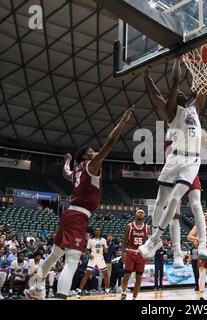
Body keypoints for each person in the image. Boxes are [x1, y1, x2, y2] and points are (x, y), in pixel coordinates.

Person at [26, 106, 134, 300]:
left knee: (54, 255)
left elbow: (65, 172)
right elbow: (110, 142)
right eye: (92, 151)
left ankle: (37, 286)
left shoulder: (77, 171)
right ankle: (59, 296)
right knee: (72, 260)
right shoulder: (92, 165)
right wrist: (123, 121)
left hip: (70, 214)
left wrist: (67, 160)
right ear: (86, 156)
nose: (95, 152)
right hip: (78, 216)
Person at [140, 59, 207, 262]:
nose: (179, 93)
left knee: (175, 198)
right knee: (161, 200)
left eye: (181, 94)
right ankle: (156, 239)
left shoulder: (194, 108)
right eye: (176, 94)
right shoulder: (171, 111)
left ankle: (157, 239)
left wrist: (206, 65)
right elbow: (171, 84)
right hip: (174, 159)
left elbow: (204, 88)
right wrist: (148, 77)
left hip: (191, 162)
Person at [120, 209, 150, 300]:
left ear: (144, 216)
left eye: (142, 212)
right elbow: (124, 239)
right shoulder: (129, 226)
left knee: (139, 278)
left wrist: (148, 254)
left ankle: (134, 298)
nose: (140, 213)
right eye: (138, 212)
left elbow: (149, 242)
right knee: (127, 275)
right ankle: (123, 292)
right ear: (136, 214)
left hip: (141, 254)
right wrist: (123, 253)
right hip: (130, 252)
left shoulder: (147, 227)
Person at [76, 227, 110, 297]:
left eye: (99, 230)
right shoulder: (90, 240)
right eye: (96, 230)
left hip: (100, 258)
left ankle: (107, 290)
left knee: (105, 274)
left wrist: (104, 247)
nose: (97, 231)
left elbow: (106, 251)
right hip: (93, 258)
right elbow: (87, 249)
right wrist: (89, 255)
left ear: (100, 232)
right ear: (94, 232)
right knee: (87, 274)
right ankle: (79, 291)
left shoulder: (103, 240)